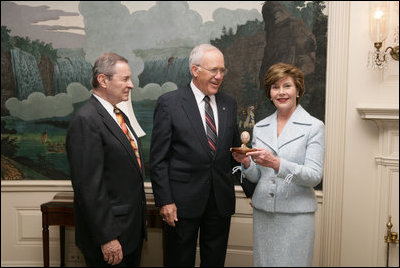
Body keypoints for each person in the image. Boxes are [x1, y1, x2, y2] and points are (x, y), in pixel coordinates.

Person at [150, 43, 241, 267]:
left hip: (219, 202)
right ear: (195, 70)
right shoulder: (169, 104)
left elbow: (234, 152)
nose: (219, 76)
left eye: (222, 70)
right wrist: (165, 201)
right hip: (181, 204)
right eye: (214, 70)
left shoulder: (229, 104)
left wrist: (252, 185)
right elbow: (158, 160)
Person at [232, 62, 325, 267]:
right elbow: (258, 176)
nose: (281, 92)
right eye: (275, 87)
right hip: (264, 213)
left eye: (287, 86)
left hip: (297, 216)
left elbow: (314, 175)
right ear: (270, 93)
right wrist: (247, 163)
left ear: (298, 90)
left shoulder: (314, 127)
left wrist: (277, 163)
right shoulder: (261, 127)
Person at [66, 52, 146, 267]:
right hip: (110, 236)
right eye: (125, 79)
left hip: (129, 232)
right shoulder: (86, 120)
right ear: (103, 80)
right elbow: (89, 187)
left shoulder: (118, 114)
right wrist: (107, 237)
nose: (131, 85)